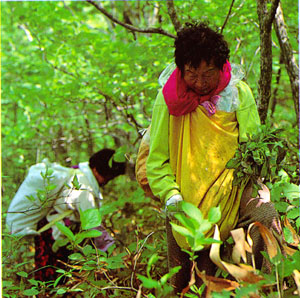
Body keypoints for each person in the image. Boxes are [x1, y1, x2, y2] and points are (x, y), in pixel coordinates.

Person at [145, 22, 282, 294]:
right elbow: (157, 159)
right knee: (185, 280)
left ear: (221, 67)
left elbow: (252, 145)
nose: (200, 82)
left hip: (234, 185)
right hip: (185, 192)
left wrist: (258, 179)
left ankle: (261, 288)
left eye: (208, 73)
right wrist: (171, 195)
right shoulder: (168, 99)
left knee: (266, 216)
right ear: (181, 70)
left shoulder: (237, 93)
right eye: (192, 74)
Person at [6, 148, 126, 282]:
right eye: (107, 177)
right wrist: (112, 251)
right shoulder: (84, 188)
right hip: (54, 237)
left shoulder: (78, 175)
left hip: (50, 232)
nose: (105, 182)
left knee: (50, 277)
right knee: (53, 280)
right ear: (96, 170)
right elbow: (93, 225)